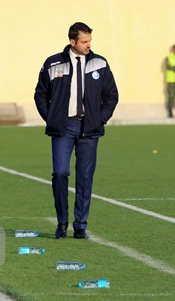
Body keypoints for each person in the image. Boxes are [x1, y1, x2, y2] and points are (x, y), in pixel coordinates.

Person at [34, 22, 119, 240]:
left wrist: (99, 118)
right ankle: (62, 222)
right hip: (63, 127)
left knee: (85, 177)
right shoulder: (53, 63)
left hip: (89, 128)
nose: (89, 45)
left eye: (90, 40)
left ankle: (80, 225)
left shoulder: (100, 63)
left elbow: (112, 96)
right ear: (73, 42)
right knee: (60, 173)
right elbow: (40, 94)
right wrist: (51, 117)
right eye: (84, 41)